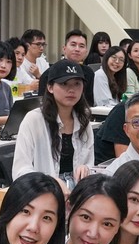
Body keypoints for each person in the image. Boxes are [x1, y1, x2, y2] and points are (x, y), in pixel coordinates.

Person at [13, 59, 93, 189]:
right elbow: (20, 170)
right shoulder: (34, 120)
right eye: (64, 84)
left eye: (77, 84)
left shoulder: (83, 119)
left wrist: (86, 169)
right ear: (50, 87)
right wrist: (49, 183)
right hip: (42, 191)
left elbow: (90, 163)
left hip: (78, 190)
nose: (71, 90)